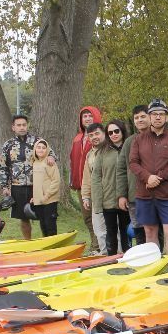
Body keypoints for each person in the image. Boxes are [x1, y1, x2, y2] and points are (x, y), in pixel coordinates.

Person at [129, 98, 168, 270]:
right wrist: (147, 177)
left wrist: (158, 177)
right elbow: (133, 163)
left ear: (166, 118)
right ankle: (154, 268)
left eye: (161, 114)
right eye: (154, 114)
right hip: (144, 194)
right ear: (150, 117)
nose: (158, 117)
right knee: (150, 232)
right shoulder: (138, 140)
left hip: (167, 194)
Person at [0, 114, 54, 240]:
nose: (22, 127)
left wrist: (51, 156)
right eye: (18, 125)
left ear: (27, 125)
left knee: (43, 215)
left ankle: (47, 240)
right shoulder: (8, 145)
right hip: (17, 187)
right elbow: (3, 167)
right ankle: (28, 242)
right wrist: (4, 186)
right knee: (24, 218)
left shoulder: (37, 141)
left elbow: (51, 153)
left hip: (37, 186)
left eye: (24, 125)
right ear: (13, 127)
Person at [94, 120, 131, 254]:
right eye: (110, 132)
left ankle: (128, 258)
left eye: (116, 131)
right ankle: (111, 259)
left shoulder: (130, 147)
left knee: (126, 230)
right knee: (110, 231)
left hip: (126, 198)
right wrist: (98, 202)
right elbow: (96, 177)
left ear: (122, 131)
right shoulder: (102, 152)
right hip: (108, 198)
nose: (114, 134)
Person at [69, 106, 103, 251]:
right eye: (84, 116)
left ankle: (100, 245)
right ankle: (94, 244)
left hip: (98, 185)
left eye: (90, 115)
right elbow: (73, 161)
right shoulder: (77, 138)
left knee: (99, 217)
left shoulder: (100, 136)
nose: (87, 118)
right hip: (81, 185)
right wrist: (74, 181)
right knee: (87, 218)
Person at [117, 105, 150, 245]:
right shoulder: (129, 142)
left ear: (150, 117)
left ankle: (157, 258)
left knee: (154, 229)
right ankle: (143, 261)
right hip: (133, 195)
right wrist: (121, 195)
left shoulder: (159, 139)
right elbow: (121, 169)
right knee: (138, 229)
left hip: (154, 195)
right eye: (136, 118)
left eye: (143, 116)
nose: (139, 120)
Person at [80, 123, 108, 255]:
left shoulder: (111, 150)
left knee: (114, 228)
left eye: (97, 134)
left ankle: (117, 253)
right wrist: (85, 196)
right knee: (99, 229)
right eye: (91, 135)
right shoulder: (90, 154)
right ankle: (104, 253)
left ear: (103, 133)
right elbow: (86, 178)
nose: (94, 137)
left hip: (111, 197)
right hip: (96, 198)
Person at [30, 138, 60, 237]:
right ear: (35, 149)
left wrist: (46, 196)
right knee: (43, 225)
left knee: (50, 225)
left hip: (49, 200)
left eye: (43, 148)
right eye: (38, 147)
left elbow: (56, 181)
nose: (41, 150)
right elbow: (37, 183)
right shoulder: (34, 163)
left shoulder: (50, 163)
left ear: (47, 150)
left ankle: (54, 248)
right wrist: (34, 197)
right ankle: (47, 248)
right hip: (39, 201)